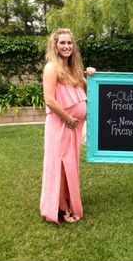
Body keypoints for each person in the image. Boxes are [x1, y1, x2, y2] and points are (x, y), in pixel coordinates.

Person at [40, 28, 95, 224]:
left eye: (69, 43)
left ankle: (67, 201)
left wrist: (91, 75)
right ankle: (61, 208)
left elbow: (87, 89)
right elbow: (50, 100)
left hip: (73, 126)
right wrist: (69, 119)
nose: (66, 46)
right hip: (60, 125)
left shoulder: (72, 69)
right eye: (62, 43)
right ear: (55, 45)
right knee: (60, 165)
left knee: (70, 165)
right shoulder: (51, 68)